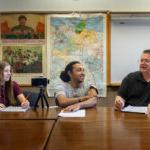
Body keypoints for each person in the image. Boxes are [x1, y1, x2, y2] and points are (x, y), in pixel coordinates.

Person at [114, 49, 150, 114]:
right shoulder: (130, 77)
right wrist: (119, 102)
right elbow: (120, 97)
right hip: (129, 115)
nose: (142, 63)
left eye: (147, 61)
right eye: (141, 60)